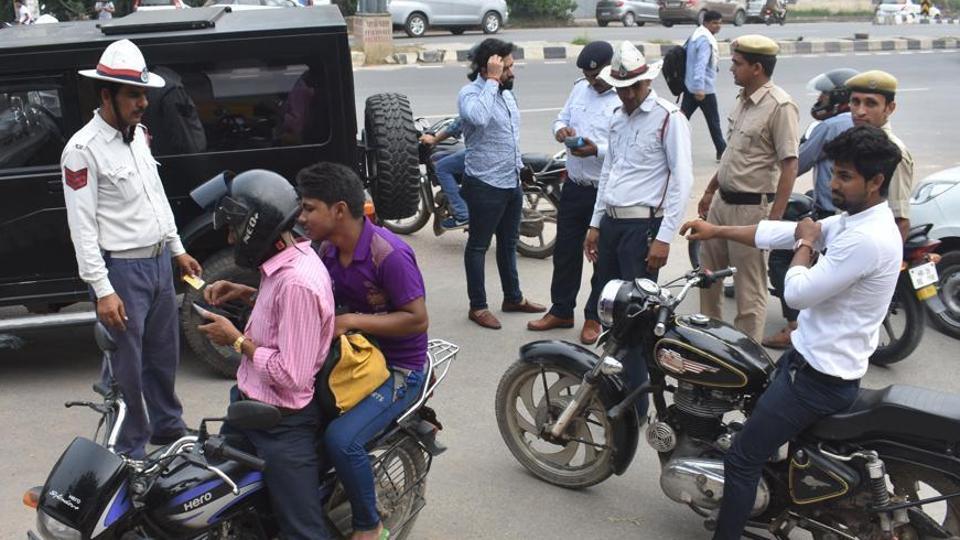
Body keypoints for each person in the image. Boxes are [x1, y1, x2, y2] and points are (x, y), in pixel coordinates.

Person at [680, 125, 903, 540]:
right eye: (833, 173)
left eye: (845, 177)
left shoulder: (868, 239)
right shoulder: (857, 220)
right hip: (808, 363)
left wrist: (803, 245)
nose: (833, 184)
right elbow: (782, 232)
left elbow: (796, 292)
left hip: (818, 380)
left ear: (876, 182)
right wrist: (717, 230)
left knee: (742, 461)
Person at [61, 39, 201, 458]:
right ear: (107, 95)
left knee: (163, 356)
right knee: (127, 368)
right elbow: (82, 228)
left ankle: (168, 428)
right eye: (134, 95)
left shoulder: (139, 135)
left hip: (158, 263)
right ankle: (130, 446)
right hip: (121, 272)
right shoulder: (82, 151)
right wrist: (103, 290)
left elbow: (155, 196)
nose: (143, 102)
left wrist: (176, 249)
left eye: (144, 93)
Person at [195, 169, 335, 540]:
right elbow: (282, 318)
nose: (230, 237)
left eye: (235, 228)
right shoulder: (283, 262)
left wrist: (236, 340)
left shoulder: (297, 283)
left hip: (282, 424)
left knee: (302, 532)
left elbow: (292, 375)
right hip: (247, 407)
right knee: (212, 500)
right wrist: (245, 292)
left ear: (258, 226)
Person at [300, 161, 430, 540]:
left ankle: (368, 524)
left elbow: (417, 319)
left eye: (309, 208)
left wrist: (353, 320)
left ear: (338, 210)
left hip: (398, 369)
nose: (302, 216)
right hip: (353, 360)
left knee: (342, 439)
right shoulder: (325, 250)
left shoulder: (388, 254)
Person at [583, 40, 694, 418]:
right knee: (609, 309)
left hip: (643, 227)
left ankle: (638, 403)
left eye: (634, 87)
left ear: (647, 82)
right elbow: (609, 173)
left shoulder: (668, 118)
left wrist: (664, 237)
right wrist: (596, 224)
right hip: (612, 223)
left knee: (637, 318)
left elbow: (682, 180)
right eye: (622, 88)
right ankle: (613, 391)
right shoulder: (616, 117)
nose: (628, 95)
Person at [696, 34, 800, 344]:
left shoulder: (780, 106)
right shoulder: (743, 100)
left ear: (757, 68)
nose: (731, 68)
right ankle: (710, 345)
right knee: (707, 278)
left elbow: (790, 166)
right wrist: (710, 189)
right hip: (721, 204)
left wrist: (774, 220)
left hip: (751, 209)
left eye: (737, 63)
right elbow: (732, 154)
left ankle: (745, 357)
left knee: (748, 290)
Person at [527, 41, 620, 345]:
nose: (592, 82)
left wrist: (597, 150)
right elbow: (561, 118)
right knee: (566, 253)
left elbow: (629, 147)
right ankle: (562, 309)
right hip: (575, 187)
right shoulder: (580, 88)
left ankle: (594, 316)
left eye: (596, 76)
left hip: (604, 192)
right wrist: (561, 131)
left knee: (601, 258)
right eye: (588, 76)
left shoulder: (624, 96)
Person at [764, 67, 858, 349]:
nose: (819, 99)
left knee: (781, 258)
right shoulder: (861, 123)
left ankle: (794, 326)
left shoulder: (830, 127)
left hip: (832, 213)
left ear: (838, 97)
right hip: (856, 212)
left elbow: (799, 162)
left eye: (824, 95)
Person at [458, 38, 545, 330]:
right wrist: (493, 81)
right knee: (478, 247)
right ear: (489, 68)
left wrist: (521, 169)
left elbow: (511, 136)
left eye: (511, 66)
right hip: (484, 184)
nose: (512, 73)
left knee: (508, 245)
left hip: (510, 181)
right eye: (506, 68)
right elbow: (479, 118)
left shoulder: (507, 95)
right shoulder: (470, 94)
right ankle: (478, 306)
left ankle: (513, 297)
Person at [846, 70, 915, 241]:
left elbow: (900, 221)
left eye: (870, 104)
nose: (860, 111)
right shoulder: (853, 142)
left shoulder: (892, 152)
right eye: (855, 102)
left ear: (889, 108)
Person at [681, 10, 726, 162]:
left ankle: (669, 147)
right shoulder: (705, 40)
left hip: (689, 86)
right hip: (703, 89)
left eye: (720, 23)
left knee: (680, 120)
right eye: (714, 23)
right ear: (706, 23)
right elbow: (700, 65)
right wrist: (700, 87)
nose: (718, 26)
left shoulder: (696, 35)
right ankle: (722, 150)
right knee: (714, 121)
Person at [419, 117, 469, 229]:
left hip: (484, 152)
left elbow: (457, 125)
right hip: (509, 153)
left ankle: (462, 214)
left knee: (442, 167)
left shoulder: (474, 100)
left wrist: (434, 139)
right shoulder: (507, 100)